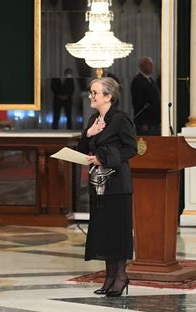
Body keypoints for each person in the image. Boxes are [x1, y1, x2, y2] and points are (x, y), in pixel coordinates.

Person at [77, 77, 137, 297]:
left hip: (117, 184)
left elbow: (131, 149)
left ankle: (120, 277)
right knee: (104, 232)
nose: (91, 96)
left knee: (118, 232)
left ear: (108, 96)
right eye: (91, 92)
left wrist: (103, 158)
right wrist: (88, 134)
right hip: (98, 185)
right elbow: (83, 149)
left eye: (94, 92)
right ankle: (109, 277)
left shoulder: (121, 119)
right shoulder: (94, 119)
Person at [130, 56, 161, 135]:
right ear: (141, 66)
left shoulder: (151, 81)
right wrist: (142, 122)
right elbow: (138, 103)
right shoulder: (138, 81)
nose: (152, 66)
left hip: (155, 120)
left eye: (152, 64)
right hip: (145, 122)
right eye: (149, 64)